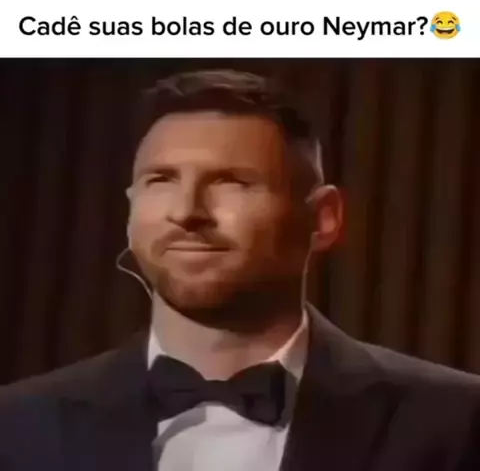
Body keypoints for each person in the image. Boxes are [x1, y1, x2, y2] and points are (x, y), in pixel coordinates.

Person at [0, 69, 479, 471]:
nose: (186, 212)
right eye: (161, 180)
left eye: (231, 182)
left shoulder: (455, 421)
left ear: (323, 218)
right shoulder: (17, 425)